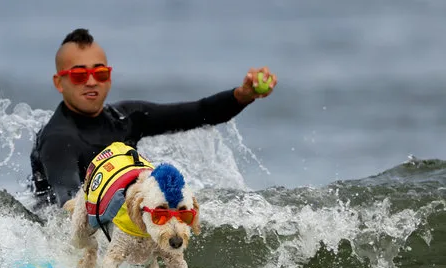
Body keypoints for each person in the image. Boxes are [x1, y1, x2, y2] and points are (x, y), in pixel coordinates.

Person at [29, 28, 276, 208]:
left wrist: (243, 95)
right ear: (58, 83)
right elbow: (69, 202)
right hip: (65, 237)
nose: (92, 81)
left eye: (100, 72)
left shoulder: (126, 117)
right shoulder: (58, 139)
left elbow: (199, 112)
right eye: (79, 75)